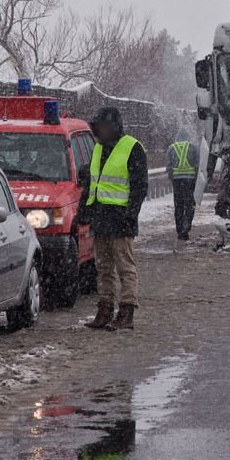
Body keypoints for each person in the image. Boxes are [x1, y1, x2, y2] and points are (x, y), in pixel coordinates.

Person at [79, 107, 148, 331]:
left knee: (124, 266)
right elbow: (92, 183)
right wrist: (84, 212)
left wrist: (130, 214)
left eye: (103, 127)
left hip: (120, 219)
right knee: (103, 267)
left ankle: (126, 312)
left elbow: (139, 186)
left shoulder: (132, 148)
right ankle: (105, 309)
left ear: (114, 126)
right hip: (101, 217)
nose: (99, 132)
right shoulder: (98, 149)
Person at [166, 129, 198, 241]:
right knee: (190, 204)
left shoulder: (171, 148)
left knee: (178, 204)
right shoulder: (192, 147)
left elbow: (169, 166)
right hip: (190, 180)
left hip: (177, 180)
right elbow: (197, 164)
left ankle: (179, 229)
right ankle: (186, 226)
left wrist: (172, 177)